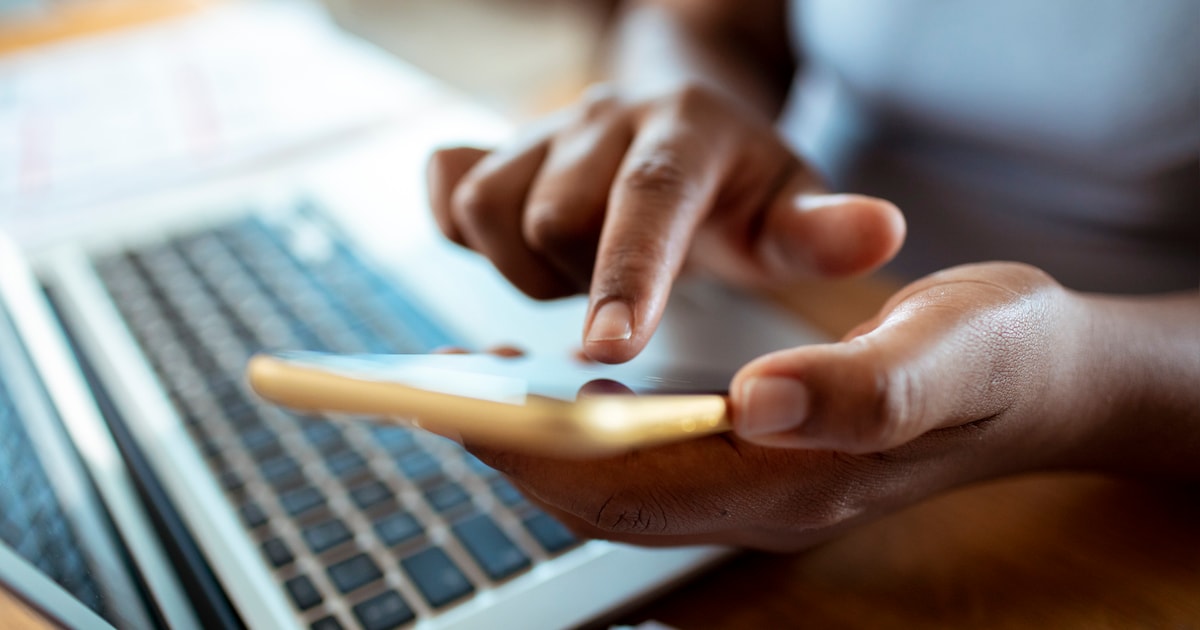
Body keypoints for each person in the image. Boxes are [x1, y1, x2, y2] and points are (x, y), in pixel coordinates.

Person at [423, 0, 1199, 550]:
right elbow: (703, 18)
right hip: (755, 285)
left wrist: (1081, 385)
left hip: (1115, 442)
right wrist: (676, 117)